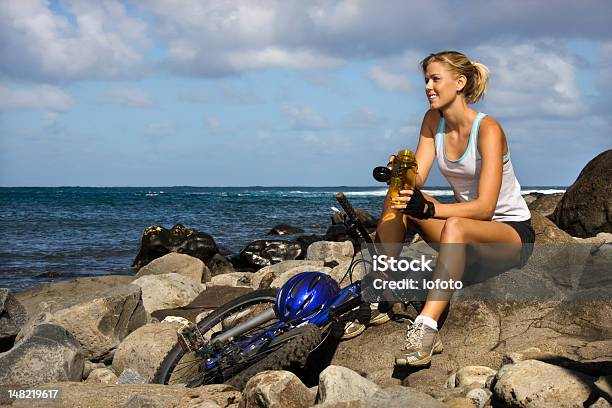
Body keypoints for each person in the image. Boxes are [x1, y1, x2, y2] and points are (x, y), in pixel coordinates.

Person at [372, 50, 535, 366]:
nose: (428, 87)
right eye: (426, 80)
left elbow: (486, 208)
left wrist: (431, 211)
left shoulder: (488, 130)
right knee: (398, 196)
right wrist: (400, 174)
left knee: (455, 224)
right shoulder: (433, 120)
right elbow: (417, 178)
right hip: (460, 233)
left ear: (459, 83)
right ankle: (379, 289)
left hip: (508, 234)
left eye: (435, 79)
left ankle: (426, 328)